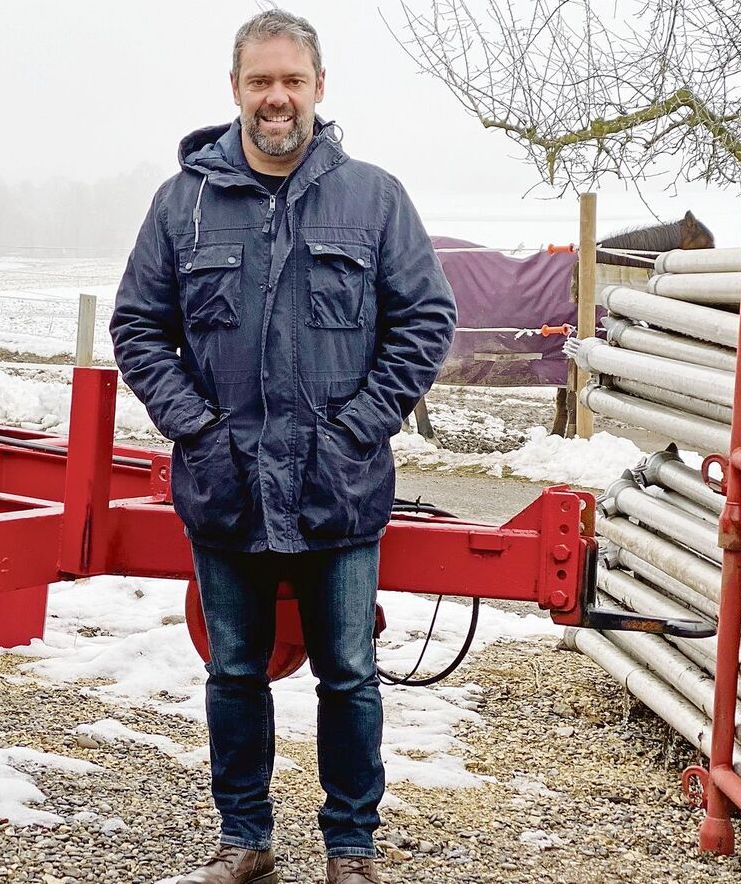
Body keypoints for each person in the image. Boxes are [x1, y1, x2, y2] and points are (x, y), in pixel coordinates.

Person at [109, 9, 455, 884]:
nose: (276, 97)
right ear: (235, 89)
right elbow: (138, 326)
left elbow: (425, 320)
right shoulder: (183, 203)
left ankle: (352, 849)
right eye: (260, 81)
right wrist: (196, 428)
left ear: (319, 87)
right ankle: (245, 841)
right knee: (234, 671)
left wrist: (359, 427)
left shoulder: (373, 198)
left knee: (349, 674)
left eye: (291, 80)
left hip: (340, 485)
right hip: (224, 485)